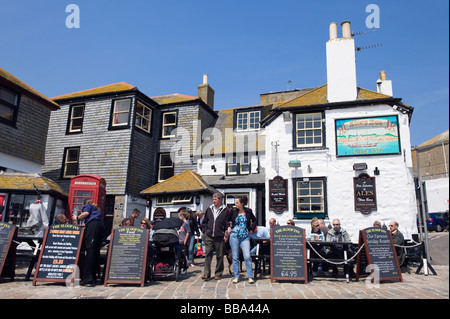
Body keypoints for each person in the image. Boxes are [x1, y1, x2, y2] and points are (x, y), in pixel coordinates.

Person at [72, 199, 106, 286]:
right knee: (95, 253)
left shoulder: (87, 206)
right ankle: (92, 278)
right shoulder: (96, 209)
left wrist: (77, 218)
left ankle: (88, 278)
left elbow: (86, 213)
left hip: (93, 227)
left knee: (90, 251)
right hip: (100, 227)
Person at [200, 192, 230, 281]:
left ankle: (218, 273)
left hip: (219, 236)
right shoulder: (209, 209)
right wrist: (205, 231)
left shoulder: (225, 210)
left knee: (220, 255)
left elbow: (227, 223)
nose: (214, 201)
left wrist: (226, 234)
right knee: (208, 253)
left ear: (220, 199)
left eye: (215, 199)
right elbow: (204, 222)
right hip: (209, 235)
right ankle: (206, 273)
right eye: (213, 199)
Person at [227, 195, 257, 284]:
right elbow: (227, 220)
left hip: (245, 237)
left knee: (247, 256)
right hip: (234, 236)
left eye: (237, 203)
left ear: (242, 203)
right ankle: (236, 276)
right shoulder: (232, 211)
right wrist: (228, 227)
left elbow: (254, 220)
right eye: (235, 203)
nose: (235, 204)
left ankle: (250, 276)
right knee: (235, 257)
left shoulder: (248, 211)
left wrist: (251, 229)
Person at [178, 209, 191, 275]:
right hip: (180, 241)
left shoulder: (186, 223)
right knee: (180, 255)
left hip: (184, 241)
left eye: (180, 216)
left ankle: (185, 268)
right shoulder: (182, 223)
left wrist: (185, 241)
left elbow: (188, 232)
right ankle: (180, 268)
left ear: (182, 216)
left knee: (184, 255)